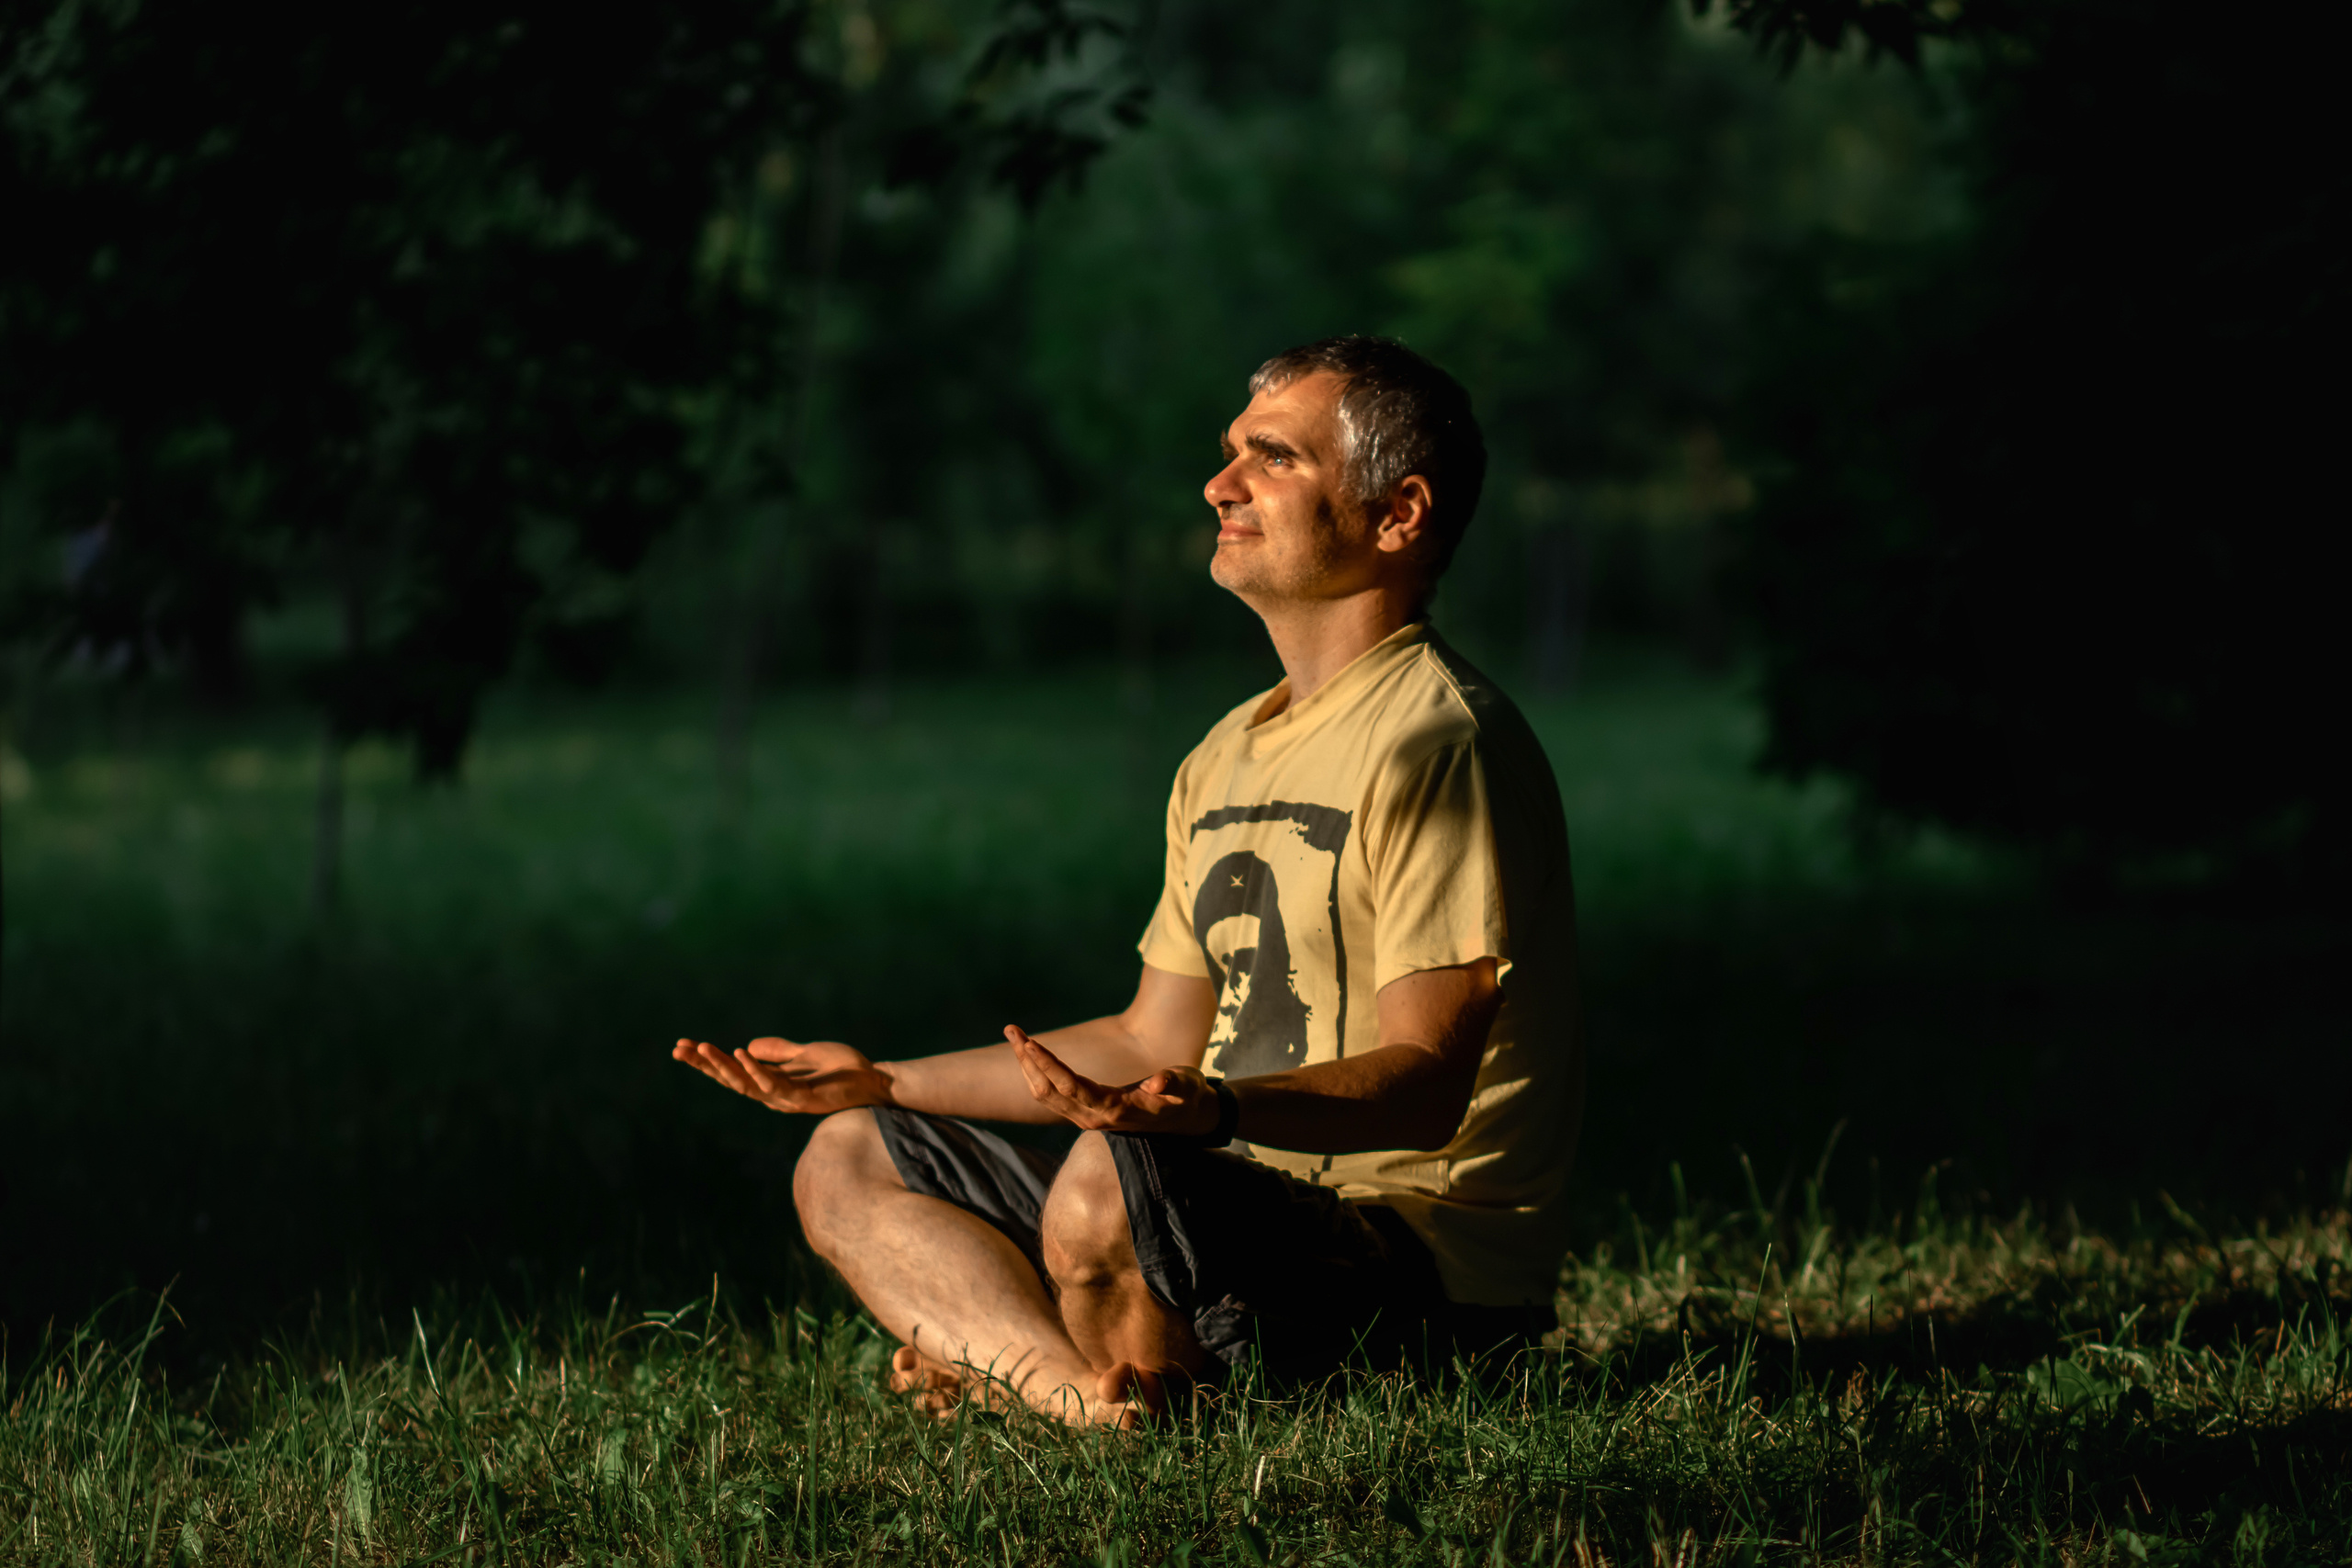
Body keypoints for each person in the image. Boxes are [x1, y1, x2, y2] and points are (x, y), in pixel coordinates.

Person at [673, 336, 1582, 1427]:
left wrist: (1211, 1112)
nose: (1220, 485)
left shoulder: (1440, 742)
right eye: (1230, 452)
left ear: (1398, 515)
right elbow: (1150, 1039)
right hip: (1212, 1198)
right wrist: (881, 1080)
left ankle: (997, 1349)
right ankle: (1081, 1398)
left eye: (1274, 457)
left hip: (1415, 1272)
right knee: (847, 1154)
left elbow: (1430, 1084)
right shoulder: (1222, 756)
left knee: (1110, 1172)